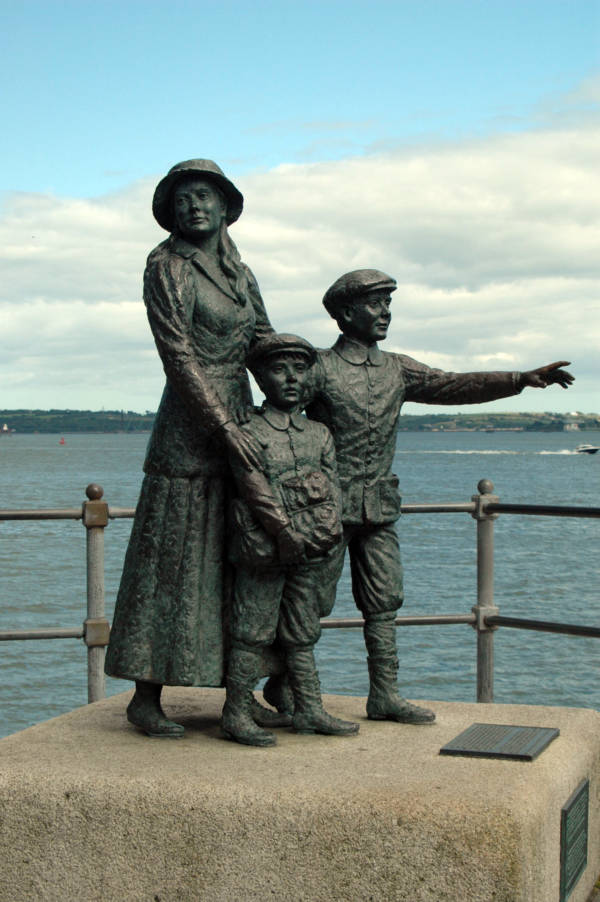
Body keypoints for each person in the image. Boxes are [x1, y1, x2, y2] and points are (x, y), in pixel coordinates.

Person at [284, 268, 573, 726]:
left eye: (387, 303)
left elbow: (453, 385)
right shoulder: (319, 367)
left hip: (377, 506)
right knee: (310, 604)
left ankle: (384, 695)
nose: (385, 313)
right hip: (325, 509)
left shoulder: (396, 368)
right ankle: (294, 696)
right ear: (344, 312)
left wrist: (519, 378)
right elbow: (282, 424)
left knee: (384, 600)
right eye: (374, 304)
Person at [105, 159, 279, 738]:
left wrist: (303, 387)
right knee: (170, 563)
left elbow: (263, 343)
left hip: (241, 425)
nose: (193, 206)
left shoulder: (240, 273)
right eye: (182, 199)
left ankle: (240, 691)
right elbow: (178, 356)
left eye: (204, 196)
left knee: (238, 560)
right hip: (188, 434)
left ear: (226, 206)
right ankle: (145, 694)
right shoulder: (166, 266)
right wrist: (222, 427)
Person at [223, 334, 359, 747]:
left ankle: (309, 708)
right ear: (261, 377)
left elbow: (332, 487)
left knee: (302, 630)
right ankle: (236, 710)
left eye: (300, 369)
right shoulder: (248, 431)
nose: (292, 378)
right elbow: (253, 486)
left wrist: (323, 536)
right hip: (264, 550)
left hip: (310, 550)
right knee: (252, 629)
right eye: (280, 370)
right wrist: (284, 532)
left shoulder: (319, 434)